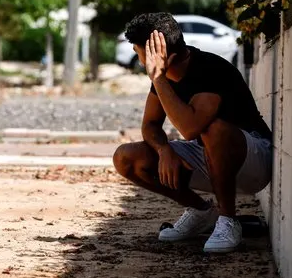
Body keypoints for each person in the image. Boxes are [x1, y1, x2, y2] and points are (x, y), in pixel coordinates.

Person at [113, 13, 273, 253]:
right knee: (126, 157)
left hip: (254, 160)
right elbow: (150, 125)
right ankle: (201, 212)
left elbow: (190, 128)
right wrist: (163, 149)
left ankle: (229, 221)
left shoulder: (210, 69)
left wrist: (157, 77)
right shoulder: (164, 76)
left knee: (213, 129)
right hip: (208, 157)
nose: (140, 60)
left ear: (167, 56)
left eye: (140, 53)